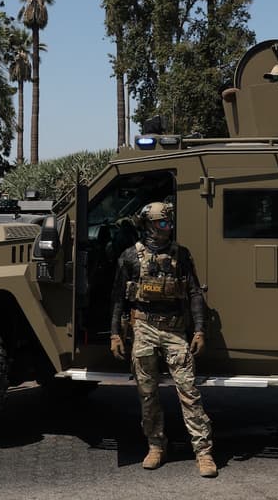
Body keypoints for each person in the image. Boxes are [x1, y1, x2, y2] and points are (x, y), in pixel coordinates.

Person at [109, 201, 218, 478]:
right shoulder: (130, 257)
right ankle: (156, 445)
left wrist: (199, 330)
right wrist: (115, 334)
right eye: (162, 223)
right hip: (143, 327)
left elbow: (194, 293)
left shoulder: (181, 255)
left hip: (174, 330)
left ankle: (203, 452)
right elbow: (118, 298)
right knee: (147, 393)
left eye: (169, 223)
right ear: (148, 225)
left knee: (189, 391)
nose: (167, 228)